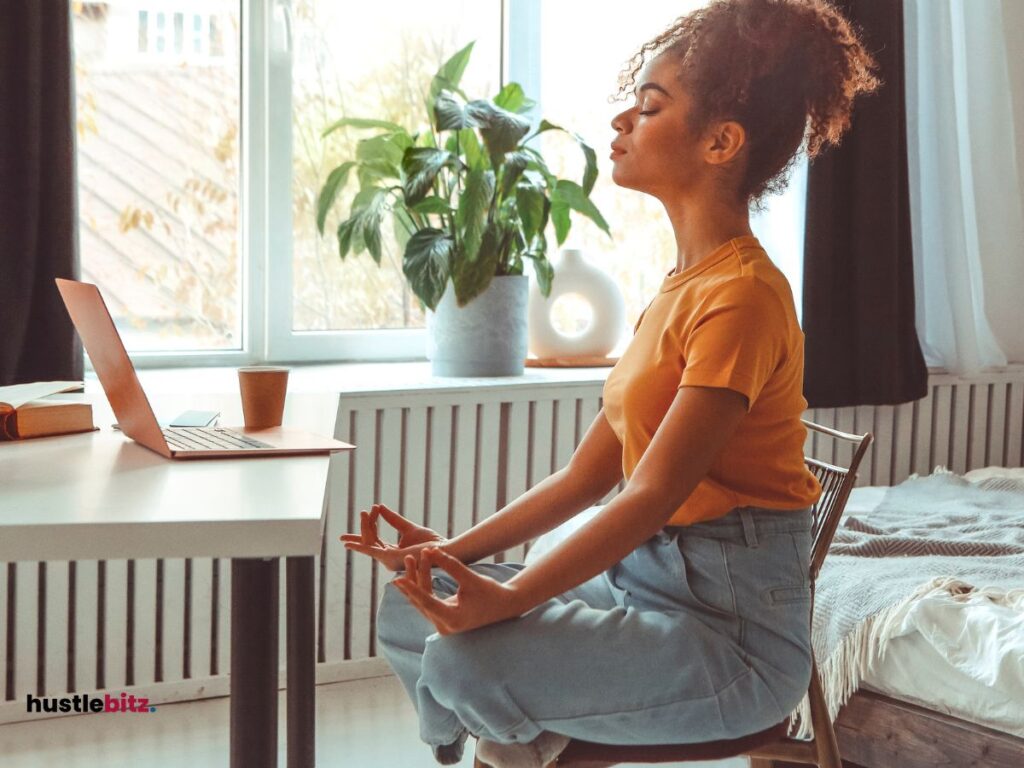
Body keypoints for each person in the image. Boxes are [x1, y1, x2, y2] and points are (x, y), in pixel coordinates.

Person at [341, 1, 881, 765]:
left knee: (463, 659)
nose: (624, 119)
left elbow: (647, 497)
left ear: (722, 142)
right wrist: (453, 552)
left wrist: (511, 598)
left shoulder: (745, 297)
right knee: (410, 615)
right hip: (640, 588)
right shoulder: (681, 286)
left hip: (730, 640)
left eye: (652, 105)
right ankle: (509, 731)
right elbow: (587, 475)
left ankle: (513, 730)